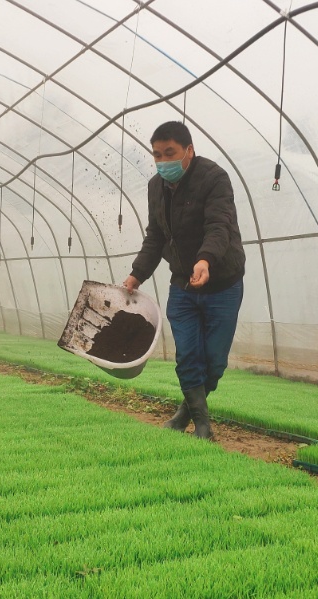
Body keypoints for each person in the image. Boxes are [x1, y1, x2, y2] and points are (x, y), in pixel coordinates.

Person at [123, 121, 245, 439]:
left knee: (214, 361)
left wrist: (205, 260)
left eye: (170, 153)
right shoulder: (155, 188)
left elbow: (219, 226)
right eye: (157, 155)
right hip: (183, 285)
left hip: (223, 283)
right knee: (188, 354)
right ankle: (202, 424)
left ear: (189, 151)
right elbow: (155, 236)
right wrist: (137, 274)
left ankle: (185, 411)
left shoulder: (214, 178)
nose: (163, 162)